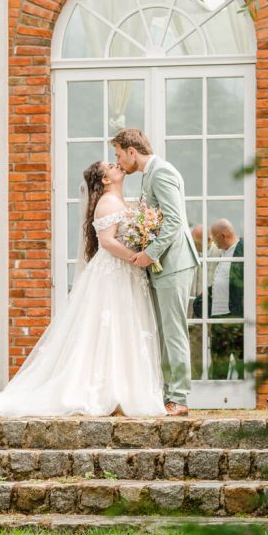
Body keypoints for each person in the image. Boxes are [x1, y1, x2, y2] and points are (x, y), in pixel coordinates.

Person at [0, 162, 166, 419]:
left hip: (125, 273)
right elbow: (106, 242)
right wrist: (136, 257)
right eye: (111, 165)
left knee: (122, 327)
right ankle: (107, 390)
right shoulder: (107, 202)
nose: (117, 165)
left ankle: (121, 389)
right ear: (105, 180)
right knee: (107, 327)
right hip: (114, 272)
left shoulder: (120, 201)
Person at [112, 128, 199, 416]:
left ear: (132, 151)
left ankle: (179, 398)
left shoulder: (161, 172)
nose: (119, 161)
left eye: (119, 155)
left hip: (174, 264)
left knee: (173, 331)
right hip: (164, 265)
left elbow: (174, 221)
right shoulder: (150, 175)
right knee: (163, 331)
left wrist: (150, 253)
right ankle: (167, 395)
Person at [193, 219, 244, 379]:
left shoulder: (241, 251)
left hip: (234, 320)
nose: (213, 242)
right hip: (218, 321)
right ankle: (218, 400)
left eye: (214, 238)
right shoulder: (224, 252)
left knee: (241, 366)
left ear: (223, 236)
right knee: (218, 370)